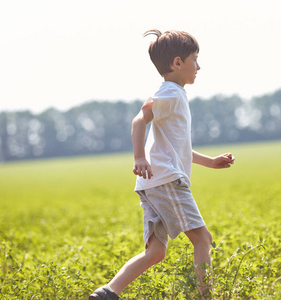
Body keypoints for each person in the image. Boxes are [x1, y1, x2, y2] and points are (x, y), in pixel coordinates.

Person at [90, 29, 235, 300]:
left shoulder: (170, 93)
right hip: (167, 180)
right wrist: (138, 157)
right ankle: (206, 297)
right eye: (195, 59)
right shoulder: (172, 94)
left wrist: (211, 163)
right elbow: (138, 120)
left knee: (156, 252)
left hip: (152, 183)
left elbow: (177, 147)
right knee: (203, 240)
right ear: (177, 63)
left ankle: (108, 292)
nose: (199, 66)